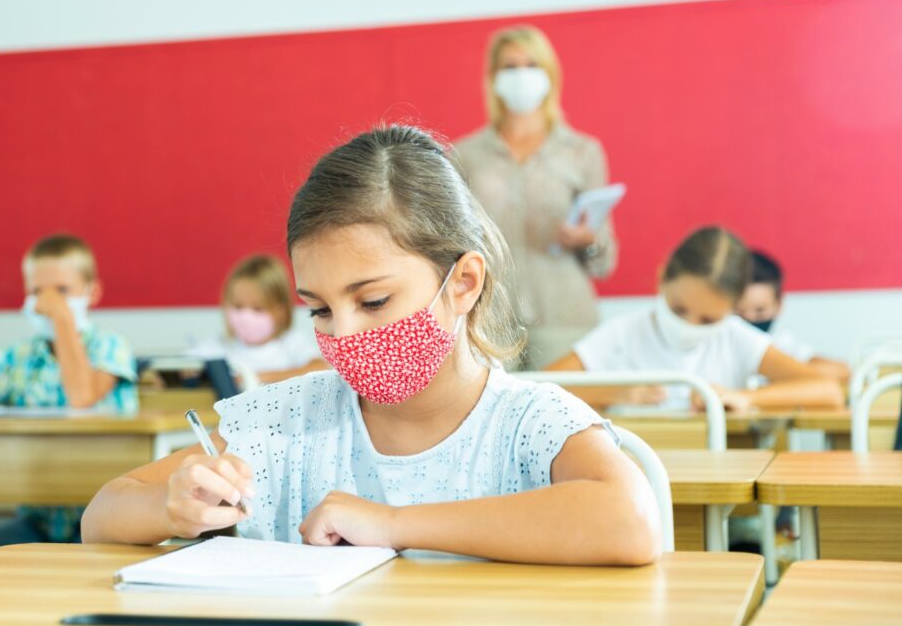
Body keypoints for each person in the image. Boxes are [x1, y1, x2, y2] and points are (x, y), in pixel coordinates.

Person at [81, 125, 660, 566]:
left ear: (462, 283)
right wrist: (168, 506)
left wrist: (392, 524)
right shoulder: (285, 422)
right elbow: (101, 514)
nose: (345, 333)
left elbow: (632, 520)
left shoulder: (528, 423)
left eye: (374, 301)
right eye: (319, 309)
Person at [0, 233, 136, 555]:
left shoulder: (110, 346)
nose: (48, 303)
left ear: (92, 292)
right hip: (37, 521)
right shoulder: (16, 357)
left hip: (105, 523)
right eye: (37, 292)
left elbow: (82, 397)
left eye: (61, 291)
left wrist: (63, 319)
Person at [452, 25, 617, 369]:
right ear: (494, 78)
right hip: (490, 317)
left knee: (567, 417)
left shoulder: (582, 152)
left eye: (532, 65)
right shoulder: (466, 155)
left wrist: (587, 240)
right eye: (510, 67)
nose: (521, 75)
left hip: (564, 315)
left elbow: (605, 262)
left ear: (550, 76)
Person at [549, 227, 842, 411]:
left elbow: (827, 391)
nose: (689, 326)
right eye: (678, 309)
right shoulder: (622, 333)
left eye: (708, 320)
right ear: (662, 278)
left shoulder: (735, 337)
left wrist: (744, 398)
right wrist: (613, 393)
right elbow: (544, 387)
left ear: (733, 307)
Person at [185, 254, 325, 384]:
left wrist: (253, 377)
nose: (246, 317)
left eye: (258, 308)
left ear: (281, 310)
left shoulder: (291, 342)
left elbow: (319, 368)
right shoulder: (218, 346)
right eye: (238, 306)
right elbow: (179, 367)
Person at [736, 250, 850, 385]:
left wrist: (788, 371)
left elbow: (843, 371)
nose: (750, 318)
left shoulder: (783, 344)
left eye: (760, 311)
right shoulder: (726, 343)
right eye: (739, 311)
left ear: (778, 305)